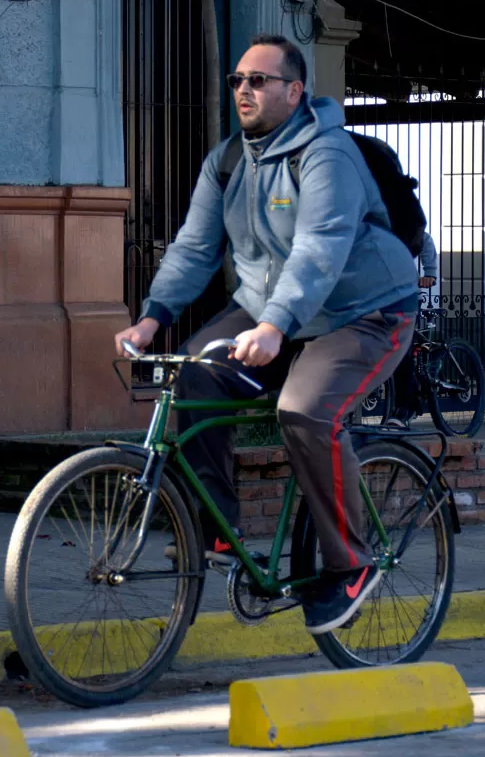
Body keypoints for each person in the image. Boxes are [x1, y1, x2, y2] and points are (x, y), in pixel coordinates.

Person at [113, 34, 420, 635]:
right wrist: (151, 318)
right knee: (196, 375)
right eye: (237, 81)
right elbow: (195, 247)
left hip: (365, 311)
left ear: (294, 91)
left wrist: (276, 326)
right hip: (271, 308)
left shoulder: (325, 156)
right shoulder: (228, 159)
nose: (244, 90)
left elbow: (319, 249)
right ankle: (218, 536)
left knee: (305, 412)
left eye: (259, 80)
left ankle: (351, 563)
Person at [386, 232, 437, 429]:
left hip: (404, 295)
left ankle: (404, 409)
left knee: (401, 350)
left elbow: (422, 239)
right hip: (378, 298)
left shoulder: (399, 225)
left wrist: (430, 273)